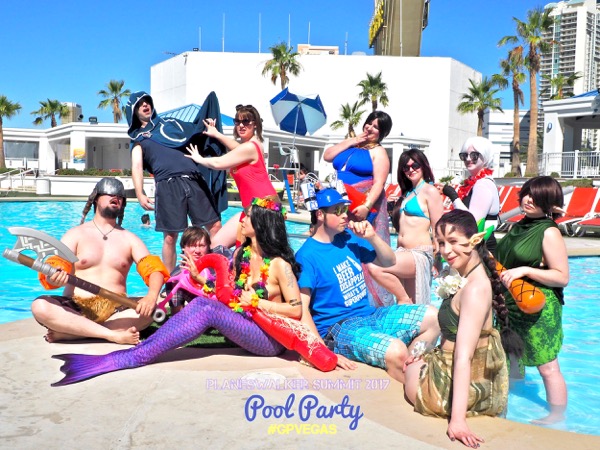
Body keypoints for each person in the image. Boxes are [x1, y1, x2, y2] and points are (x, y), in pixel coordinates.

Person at [51, 197, 303, 386]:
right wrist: (200, 281)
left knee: (206, 309)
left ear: (260, 224)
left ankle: (137, 355)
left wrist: (258, 303)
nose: (242, 220)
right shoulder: (241, 255)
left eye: (247, 217)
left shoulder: (279, 265)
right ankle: (139, 352)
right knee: (202, 305)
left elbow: (295, 310)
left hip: (269, 338)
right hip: (244, 323)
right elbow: (229, 298)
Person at [403, 209, 522, 448]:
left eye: (453, 241)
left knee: (402, 365)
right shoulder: (467, 276)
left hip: (449, 384)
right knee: (412, 358)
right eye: (441, 243)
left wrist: (457, 421)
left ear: (474, 240)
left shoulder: (475, 288)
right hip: (452, 368)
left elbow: (464, 356)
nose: (446, 250)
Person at [296, 187, 440, 383]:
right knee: (396, 350)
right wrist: (322, 352)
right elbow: (302, 309)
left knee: (434, 317)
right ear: (320, 214)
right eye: (337, 211)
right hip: (339, 328)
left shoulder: (349, 238)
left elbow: (390, 261)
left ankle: (415, 372)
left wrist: (372, 236)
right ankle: (419, 389)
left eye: (345, 209)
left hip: (370, 315)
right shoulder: (307, 256)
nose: (345, 215)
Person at [31, 178, 169, 345]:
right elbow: (57, 264)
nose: (116, 198)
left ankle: (76, 333)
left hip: (117, 308)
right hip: (76, 306)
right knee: (40, 306)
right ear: (96, 198)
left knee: (155, 308)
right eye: (110, 194)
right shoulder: (76, 234)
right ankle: (111, 334)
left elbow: (154, 269)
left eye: (120, 197)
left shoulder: (130, 239)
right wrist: (54, 278)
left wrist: (151, 296)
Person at [126, 91, 226, 273]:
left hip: (194, 179)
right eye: (140, 104)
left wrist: (208, 127)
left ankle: (217, 274)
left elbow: (194, 131)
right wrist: (139, 193)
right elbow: (137, 166)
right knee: (170, 237)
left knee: (215, 227)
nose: (145, 105)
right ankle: (170, 281)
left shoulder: (171, 124)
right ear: (133, 111)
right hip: (168, 185)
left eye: (147, 101)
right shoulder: (137, 139)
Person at [496, 176, 569, 424]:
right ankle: (513, 402)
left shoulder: (548, 231)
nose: (528, 199)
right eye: (527, 193)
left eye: (537, 197)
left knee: (547, 366)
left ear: (549, 203)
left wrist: (526, 270)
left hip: (538, 307)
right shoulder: (521, 224)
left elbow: (562, 277)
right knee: (512, 356)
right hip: (512, 302)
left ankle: (557, 415)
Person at [323, 111, 393, 306]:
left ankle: (365, 301)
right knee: (337, 248)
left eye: (376, 127)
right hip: (339, 204)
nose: (370, 128)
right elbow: (328, 156)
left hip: (358, 207)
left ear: (382, 133)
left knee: (358, 250)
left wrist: (366, 206)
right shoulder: (352, 145)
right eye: (369, 123)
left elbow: (379, 183)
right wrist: (353, 140)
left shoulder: (378, 152)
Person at [186, 104, 279, 249]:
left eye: (246, 121)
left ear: (255, 124)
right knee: (217, 245)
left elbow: (218, 163)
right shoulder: (250, 145)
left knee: (254, 254)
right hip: (253, 209)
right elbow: (235, 147)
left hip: (264, 209)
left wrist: (199, 158)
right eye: (238, 121)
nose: (241, 125)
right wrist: (217, 134)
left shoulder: (250, 147)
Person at [368, 149, 444, 304]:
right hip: (403, 252)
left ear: (423, 166)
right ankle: (406, 305)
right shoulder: (407, 193)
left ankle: (404, 299)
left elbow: (439, 227)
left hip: (419, 253)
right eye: (406, 167)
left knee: (375, 267)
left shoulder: (429, 191)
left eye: (415, 165)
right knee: (412, 306)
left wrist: (439, 258)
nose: (411, 169)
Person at [439, 136, 500, 256]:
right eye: (464, 155)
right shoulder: (478, 183)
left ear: (485, 156)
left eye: (474, 155)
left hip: (482, 251)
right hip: (476, 248)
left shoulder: (483, 184)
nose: (468, 159)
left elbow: (472, 221)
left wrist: (452, 195)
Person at [165, 226, 214, 314]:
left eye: (202, 246)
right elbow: (177, 314)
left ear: (208, 247)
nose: (197, 250)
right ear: (183, 247)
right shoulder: (176, 275)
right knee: (173, 282)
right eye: (192, 246)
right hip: (198, 312)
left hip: (221, 308)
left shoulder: (218, 266)